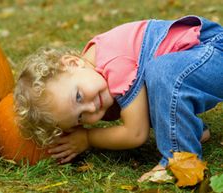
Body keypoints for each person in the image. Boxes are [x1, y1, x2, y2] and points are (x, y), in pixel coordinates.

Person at [14, 15, 223, 181]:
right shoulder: (89, 74)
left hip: (211, 52)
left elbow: (136, 133)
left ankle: (180, 159)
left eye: (78, 97)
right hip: (195, 64)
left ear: (72, 63)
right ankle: (191, 131)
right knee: (144, 89)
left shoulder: (114, 63)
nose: (90, 108)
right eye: (80, 118)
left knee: (160, 72)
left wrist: (88, 138)